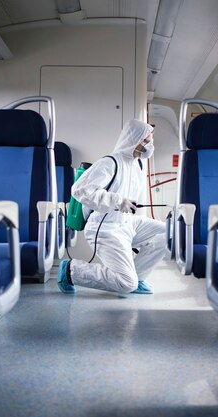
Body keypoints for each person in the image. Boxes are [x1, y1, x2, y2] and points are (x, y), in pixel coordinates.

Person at [58, 119, 167, 295]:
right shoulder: (110, 162)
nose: (150, 146)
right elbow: (80, 190)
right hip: (105, 227)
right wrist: (118, 201)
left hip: (127, 222)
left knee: (170, 232)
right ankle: (72, 271)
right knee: (125, 284)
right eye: (146, 141)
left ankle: (138, 277)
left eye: (150, 141)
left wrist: (126, 205)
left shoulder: (136, 164)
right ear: (134, 140)